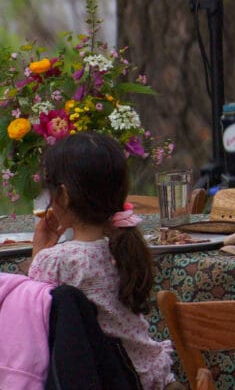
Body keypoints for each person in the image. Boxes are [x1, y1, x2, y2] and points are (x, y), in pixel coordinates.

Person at [24, 132, 174, 389]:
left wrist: (38, 253)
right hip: (152, 375)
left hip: (109, 380)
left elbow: (32, 320)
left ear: (63, 195)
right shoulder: (125, 246)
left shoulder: (56, 261)